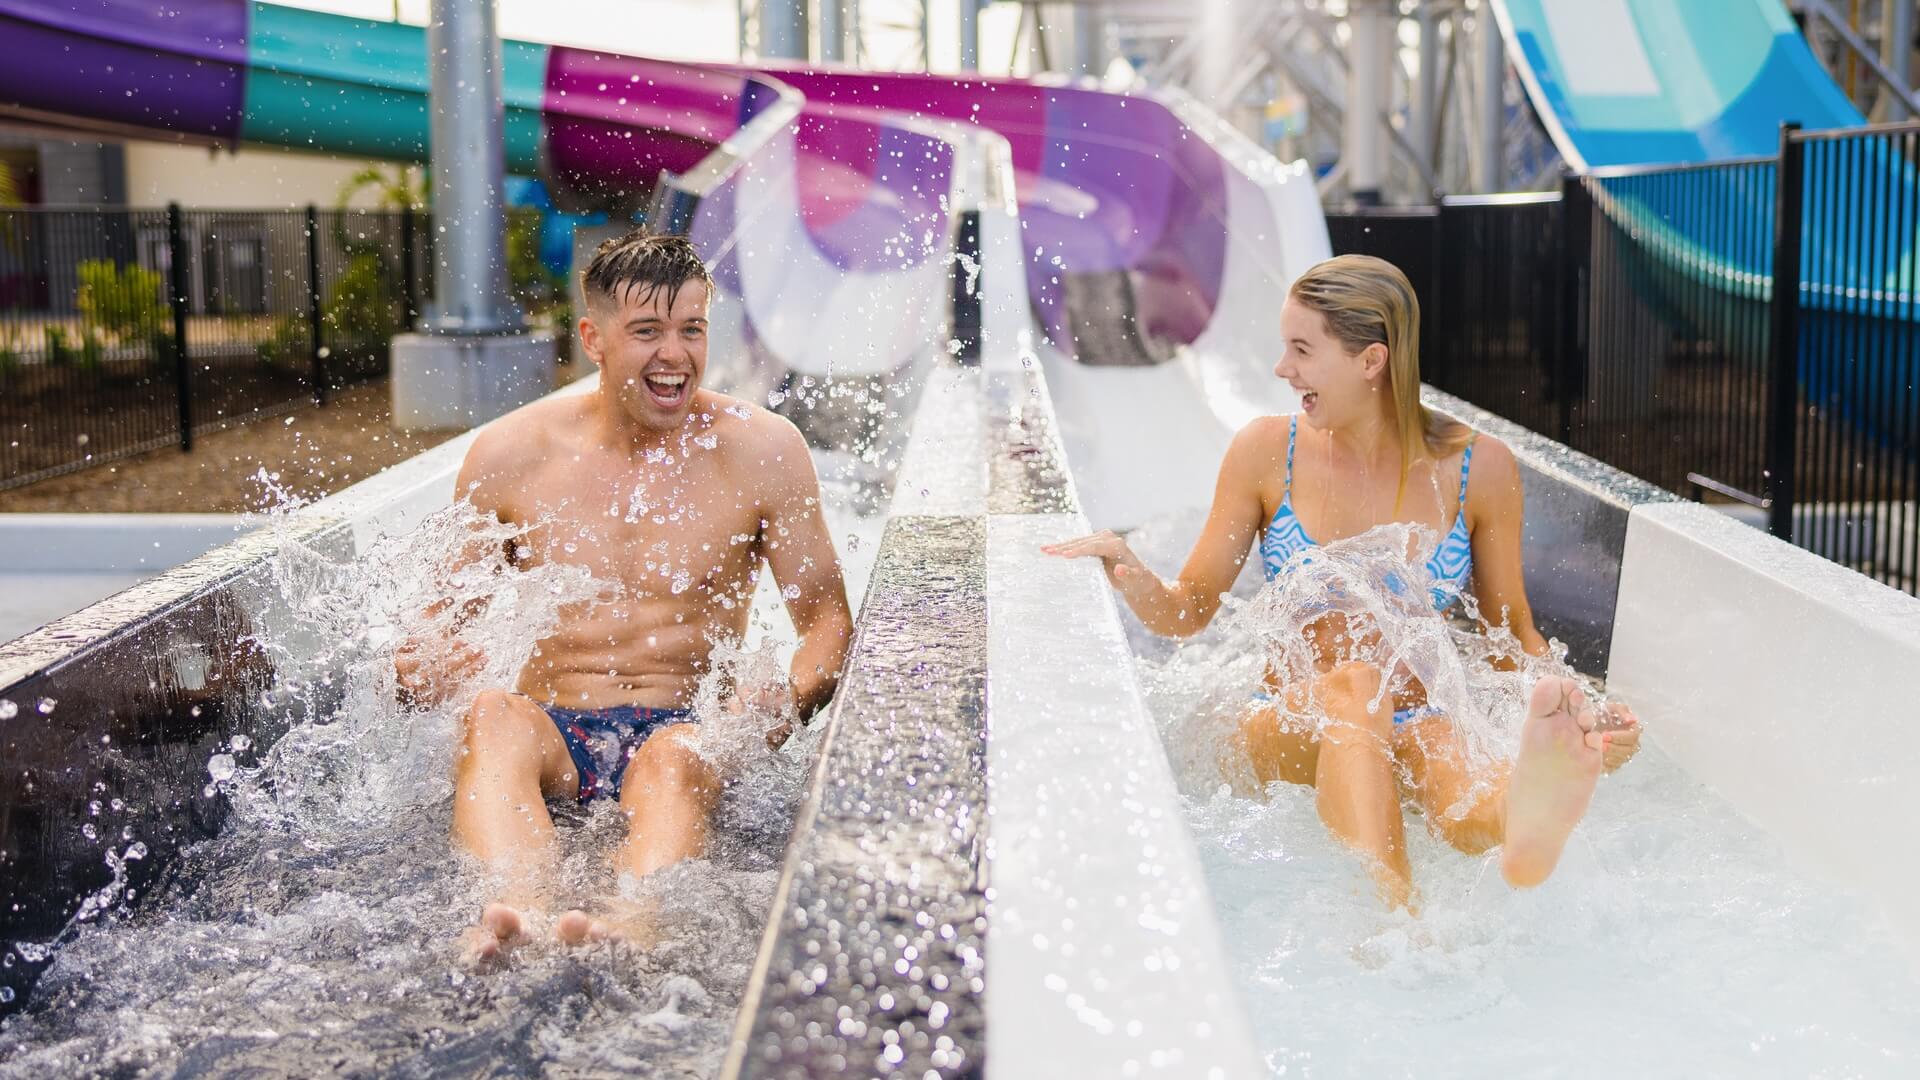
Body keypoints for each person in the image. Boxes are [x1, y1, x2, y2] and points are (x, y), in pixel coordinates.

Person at [1044, 254, 1641, 909]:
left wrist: (1575, 706)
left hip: (1418, 711)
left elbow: (1509, 632)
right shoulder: (1266, 452)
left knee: (1449, 762)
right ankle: (1395, 920)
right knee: (1357, 690)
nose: (1282, 368)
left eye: (1301, 349)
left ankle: (1526, 809)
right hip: (1287, 717)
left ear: (1371, 361)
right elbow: (1187, 612)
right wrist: (1126, 567)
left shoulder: (1478, 467)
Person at [395, 230, 853, 960]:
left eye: (691, 329)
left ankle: (631, 931)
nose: (675, 354)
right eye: (647, 332)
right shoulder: (512, 454)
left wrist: (781, 701)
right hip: (556, 736)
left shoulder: (763, 451)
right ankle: (512, 916)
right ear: (593, 338)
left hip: (685, 729)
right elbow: (436, 626)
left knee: (677, 762)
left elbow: (828, 624)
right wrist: (422, 664)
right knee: (491, 715)